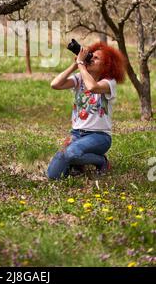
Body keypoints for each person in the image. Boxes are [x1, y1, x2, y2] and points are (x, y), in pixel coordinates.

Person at [47, 41, 126, 180]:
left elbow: (92, 87)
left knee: (71, 153)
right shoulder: (80, 78)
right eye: (91, 56)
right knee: (53, 175)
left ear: (107, 65)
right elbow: (55, 84)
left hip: (99, 137)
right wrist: (75, 64)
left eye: (97, 58)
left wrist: (81, 65)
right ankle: (77, 165)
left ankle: (101, 161)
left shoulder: (109, 83)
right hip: (76, 134)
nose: (92, 59)